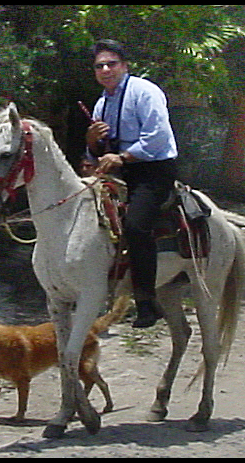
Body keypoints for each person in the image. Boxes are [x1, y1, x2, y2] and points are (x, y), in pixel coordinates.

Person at [86, 39, 178, 328]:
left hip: (153, 170)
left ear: (124, 66)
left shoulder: (145, 92)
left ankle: (146, 302)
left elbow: (156, 138)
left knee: (136, 227)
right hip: (122, 169)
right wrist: (92, 143)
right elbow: (101, 151)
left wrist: (122, 157)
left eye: (111, 63)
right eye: (99, 65)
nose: (105, 69)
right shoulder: (102, 103)